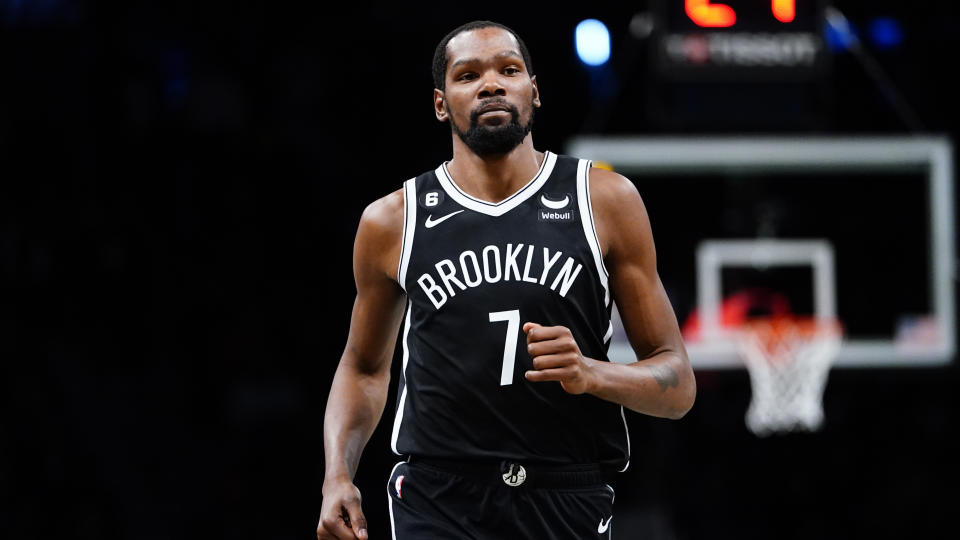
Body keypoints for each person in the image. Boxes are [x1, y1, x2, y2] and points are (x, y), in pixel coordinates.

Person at [317, 20, 695, 539]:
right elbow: (362, 370)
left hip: (566, 493)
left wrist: (591, 373)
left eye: (508, 70)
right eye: (468, 75)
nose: (491, 84)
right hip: (439, 497)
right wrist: (337, 475)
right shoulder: (393, 220)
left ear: (533, 92)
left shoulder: (605, 201)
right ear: (440, 104)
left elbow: (677, 385)